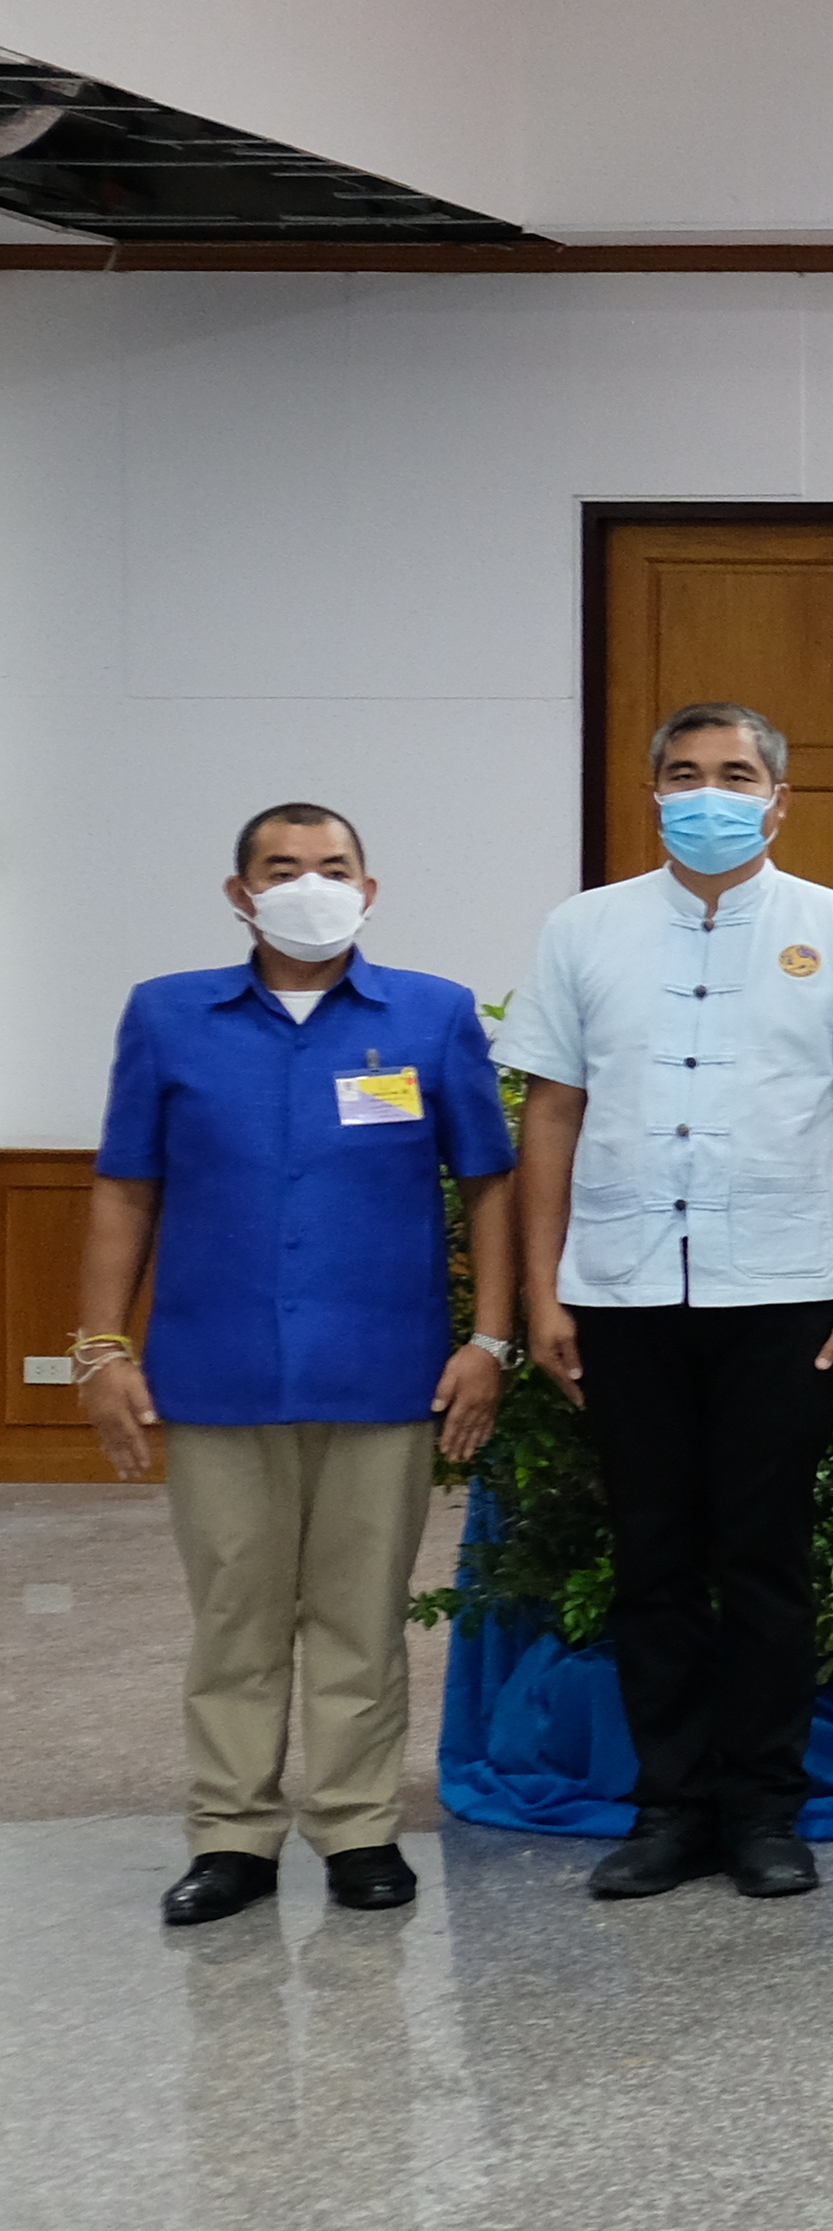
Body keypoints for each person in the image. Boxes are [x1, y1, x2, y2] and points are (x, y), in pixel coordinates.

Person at [500, 703, 833, 1903]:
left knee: (766, 1560)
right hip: (624, 1288)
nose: (708, 792)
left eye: (735, 774)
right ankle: (669, 1805)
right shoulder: (584, 930)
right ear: (652, 792)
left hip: (786, 1289)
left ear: (779, 798)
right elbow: (552, 1112)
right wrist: (542, 1290)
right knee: (653, 1559)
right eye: (684, 774)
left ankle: (764, 1809)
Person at [83, 805, 516, 1927]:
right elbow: (127, 1184)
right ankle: (231, 1834)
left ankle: (360, 1825)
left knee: (360, 1612)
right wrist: (98, 1344)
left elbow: (488, 1184)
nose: (308, 885)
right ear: (240, 892)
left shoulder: (429, 1014)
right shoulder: (170, 1016)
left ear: (369, 890)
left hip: (384, 1369)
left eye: (332, 867)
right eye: (282, 868)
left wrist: (491, 1339)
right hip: (217, 1369)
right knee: (234, 1610)